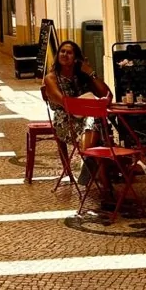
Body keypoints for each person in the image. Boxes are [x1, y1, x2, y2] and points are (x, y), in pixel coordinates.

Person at [41, 41, 112, 206]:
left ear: (76, 58)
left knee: (96, 125)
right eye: (62, 52)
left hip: (88, 123)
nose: (65, 55)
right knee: (99, 128)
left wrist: (91, 73)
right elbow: (65, 103)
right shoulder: (51, 78)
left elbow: (108, 95)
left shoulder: (82, 76)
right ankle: (107, 190)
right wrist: (88, 103)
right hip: (66, 122)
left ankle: (90, 160)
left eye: (70, 52)